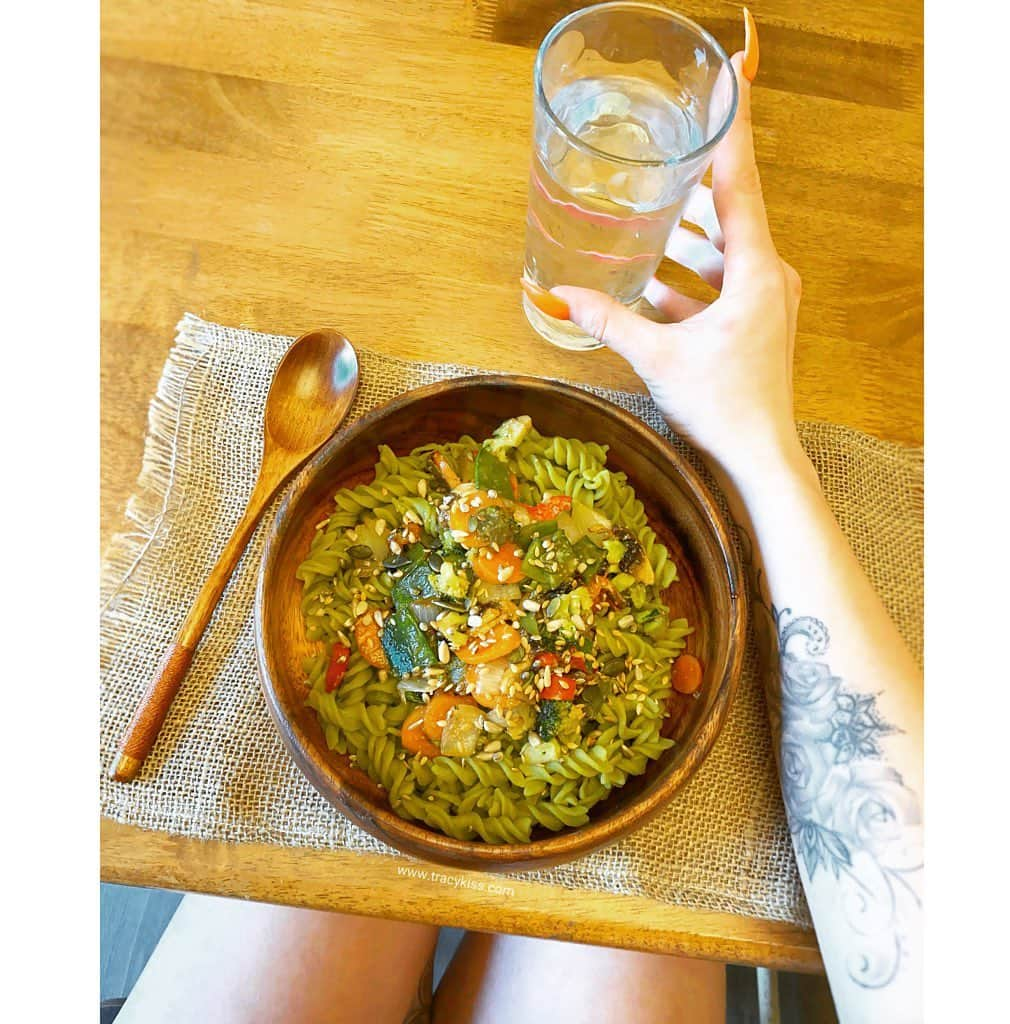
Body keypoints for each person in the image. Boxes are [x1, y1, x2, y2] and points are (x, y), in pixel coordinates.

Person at [115, 20, 923, 1024]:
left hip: (538, 749)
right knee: (595, 953)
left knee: (334, 905)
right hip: (456, 718)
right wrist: (759, 447)